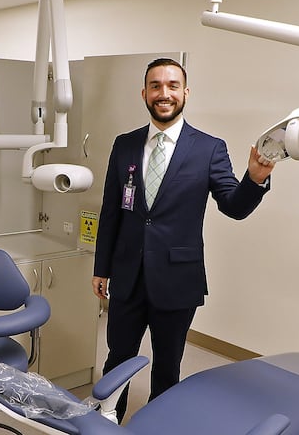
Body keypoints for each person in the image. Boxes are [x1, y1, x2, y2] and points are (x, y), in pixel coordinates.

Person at [91, 58, 275, 421]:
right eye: (156, 86)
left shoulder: (209, 148)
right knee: (117, 360)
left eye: (172, 86)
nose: (164, 93)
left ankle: (159, 426)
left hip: (177, 279)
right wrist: (102, 267)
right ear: (144, 93)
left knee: (167, 366)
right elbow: (111, 209)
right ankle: (106, 423)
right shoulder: (124, 144)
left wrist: (254, 180)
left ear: (185, 93)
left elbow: (233, 207)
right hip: (127, 275)